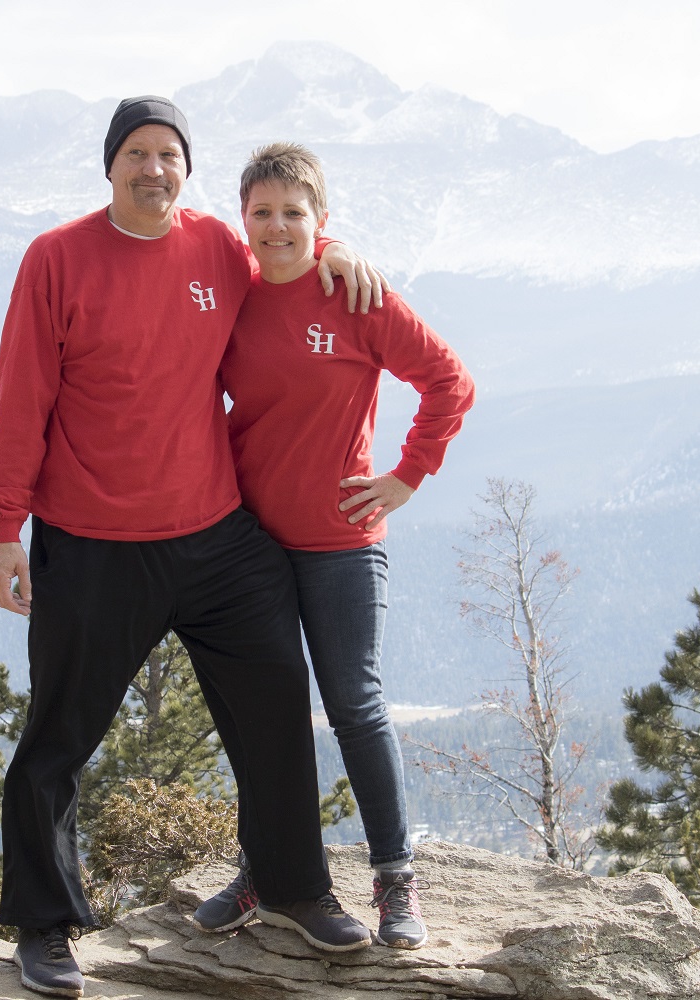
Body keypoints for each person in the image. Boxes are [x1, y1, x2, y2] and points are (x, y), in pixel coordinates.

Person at [0, 98, 385, 998]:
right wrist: (4, 527)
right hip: (93, 544)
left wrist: (336, 251)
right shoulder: (57, 258)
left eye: (168, 154)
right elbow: (21, 395)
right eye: (136, 153)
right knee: (57, 739)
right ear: (110, 165)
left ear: (186, 169)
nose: (153, 168)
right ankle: (44, 927)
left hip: (215, 536)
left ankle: (292, 887)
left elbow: (285, 252)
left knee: (275, 703)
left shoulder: (215, 248)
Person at [193, 143, 474, 949]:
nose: (276, 226)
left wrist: (407, 475)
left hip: (340, 542)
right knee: (265, 715)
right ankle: (266, 870)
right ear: (242, 218)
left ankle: (395, 880)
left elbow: (449, 382)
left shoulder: (354, 294)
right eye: (262, 212)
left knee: (353, 703)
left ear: (320, 219)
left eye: (294, 212)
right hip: (249, 543)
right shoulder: (231, 294)